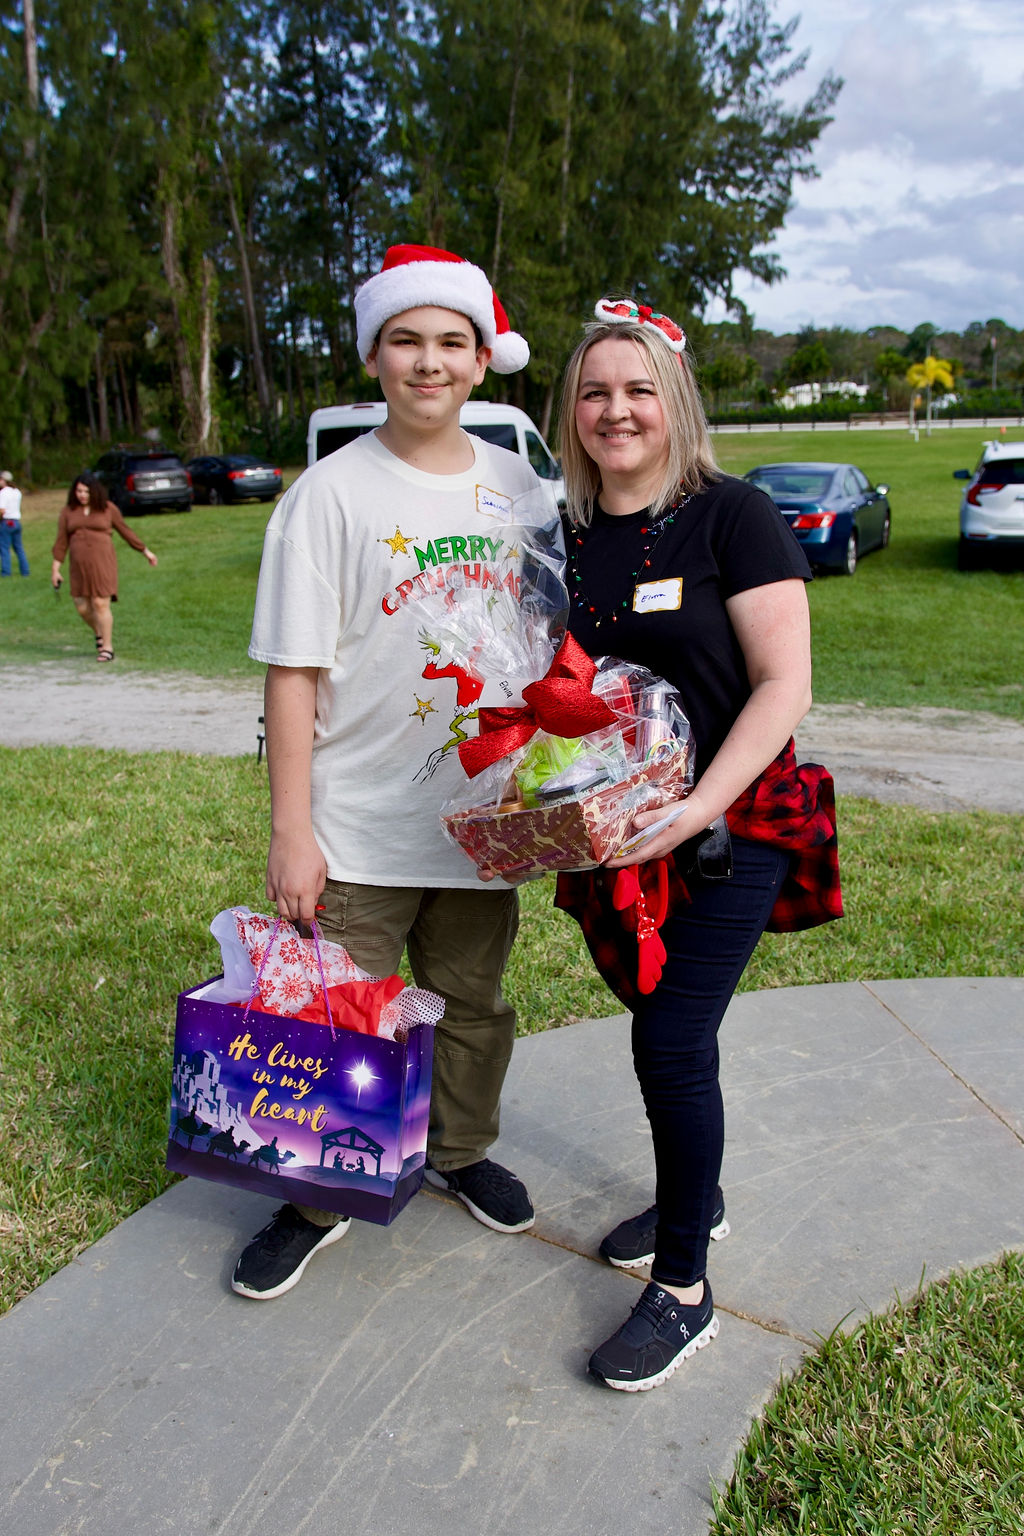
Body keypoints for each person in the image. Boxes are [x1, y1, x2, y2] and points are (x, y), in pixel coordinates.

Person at [233, 244, 547, 1301]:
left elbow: (555, 651)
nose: (428, 362)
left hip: (480, 820)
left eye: (449, 341)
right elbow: (292, 675)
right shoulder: (326, 496)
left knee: (471, 1002)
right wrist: (292, 827)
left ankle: (458, 1152)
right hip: (357, 820)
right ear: (373, 355)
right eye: (405, 341)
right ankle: (317, 1197)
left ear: (478, 357)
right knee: (338, 1012)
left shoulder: (521, 489)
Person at [554, 297, 841, 1391]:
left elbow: (784, 686)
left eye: (638, 390)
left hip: (735, 822)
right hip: (617, 838)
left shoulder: (734, 515)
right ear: (570, 410)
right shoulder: (568, 541)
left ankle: (683, 1290)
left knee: (669, 1042)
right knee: (661, 1024)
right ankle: (698, 1196)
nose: (616, 410)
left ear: (673, 404)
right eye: (594, 391)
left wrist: (696, 809)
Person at [50, 472, 157, 660]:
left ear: (95, 492)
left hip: (102, 563)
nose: (82, 495)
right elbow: (61, 542)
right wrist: (56, 569)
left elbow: (125, 531)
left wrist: (145, 551)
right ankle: (99, 631)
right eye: (79, 491)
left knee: (100, 603)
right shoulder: (68, 512)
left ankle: (107, 647)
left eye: (86, 491)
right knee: (82, 606)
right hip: (78, 565)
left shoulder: (107, 509)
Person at [0, 469, 30, 577]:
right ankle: (25, 571)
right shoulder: (17, 491)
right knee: (19, 548)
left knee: (4, 548)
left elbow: (2, 510)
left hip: (6, 522)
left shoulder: (3, 492)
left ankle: (6, 572)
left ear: (4, 480)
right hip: (16, 522)